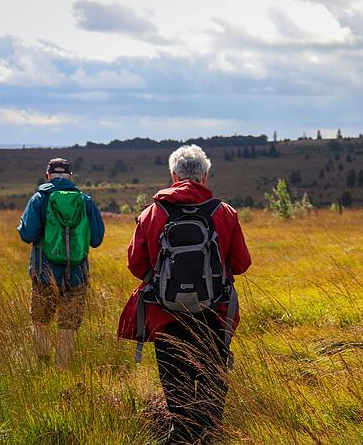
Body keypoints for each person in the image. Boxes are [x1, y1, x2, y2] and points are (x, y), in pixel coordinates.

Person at [119, 145, 251, 443]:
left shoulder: (153, 213)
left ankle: (180, 436)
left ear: (173, 175)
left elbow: (136, 264)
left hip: (166, 316)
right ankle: (209, 436)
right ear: (205, 176)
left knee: (177, 397)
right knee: (211, 394)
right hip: (214, 317)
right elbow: (241, 264)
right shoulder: (224, 213)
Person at [17, 158, 105, 367]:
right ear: (70, 177)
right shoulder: (85, 201)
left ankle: (44, 366)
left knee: (40, 321)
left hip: (43, 273)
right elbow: (97, 239)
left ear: (47, 176)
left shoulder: (39, 199)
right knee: (68, 325)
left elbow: (27, 234)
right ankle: (63, 368)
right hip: (77, 275)